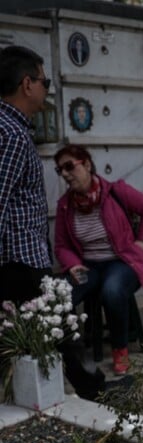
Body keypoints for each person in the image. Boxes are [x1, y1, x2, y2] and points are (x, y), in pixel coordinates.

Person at [0, 45, 110, 400]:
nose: (47, 89)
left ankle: (88, 387)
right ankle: (92, 391)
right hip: (19, 257)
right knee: (60, 321)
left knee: (55, 325)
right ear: (27, 83)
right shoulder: (12, 134)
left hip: (20, 256)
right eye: (46, 82)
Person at [53, 144, 143, 375]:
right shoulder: (65, 205)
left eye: (70, 166)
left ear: (87, 164)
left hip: (121, 261)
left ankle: (120, 350)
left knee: (112, 290)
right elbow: (61, 245)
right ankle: (69, 353)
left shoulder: (115, 191)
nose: (66, 174)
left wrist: (142, 242)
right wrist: (72, 264)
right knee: (62, 294)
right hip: (88, 265)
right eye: (60, 170)